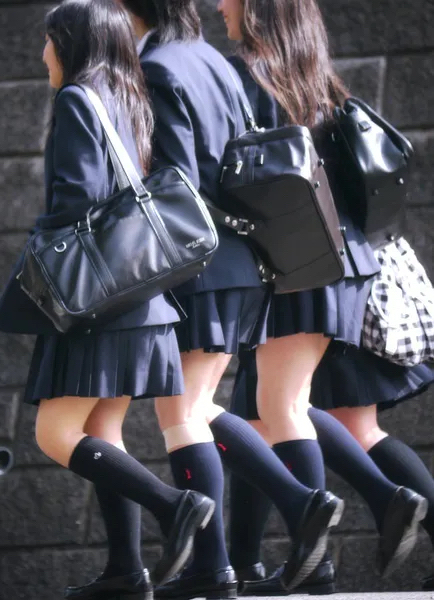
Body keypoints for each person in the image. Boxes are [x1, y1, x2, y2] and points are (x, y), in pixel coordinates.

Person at [117, 0, 345, 596]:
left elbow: (177, 181)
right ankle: (247, 543)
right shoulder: (216, 63)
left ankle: (226, 558)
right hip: (245, 262)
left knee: (183, 413)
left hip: (203, 264)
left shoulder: (160, 67)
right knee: (198, 408)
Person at [0, 1, 216, 598]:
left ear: (70, 43)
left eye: (49, 39)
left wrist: (41, 247)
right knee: (103, 432)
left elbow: (78, 199)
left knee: (54, 433)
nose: (42, 52)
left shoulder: (76, 99)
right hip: (142, 300)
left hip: (96, 303)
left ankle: (173, 505)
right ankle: (125, 571)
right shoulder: (128, 96)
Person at [215, 0, 429, 592]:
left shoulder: (250, 77)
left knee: (277, 407)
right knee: (272, 414)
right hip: (343, 264)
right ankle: (260, 562)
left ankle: (331, 546)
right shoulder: (318, 79)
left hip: (297, 264)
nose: (219, 5)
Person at [230, 348, 431, 594]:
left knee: (277, 409)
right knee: (277, 414)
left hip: (290, 327)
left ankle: (256, 564)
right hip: (329, 328)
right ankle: (250, 564)